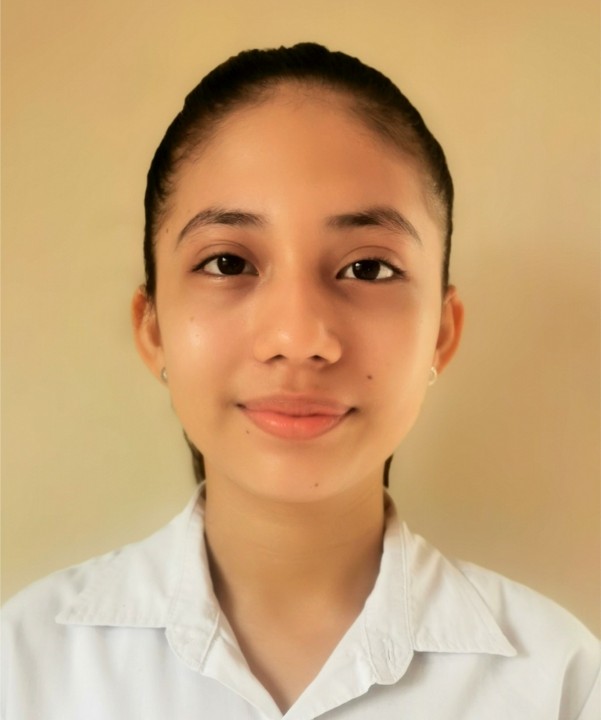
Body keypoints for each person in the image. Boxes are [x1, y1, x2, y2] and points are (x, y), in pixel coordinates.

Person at [2, 42, 599, 720]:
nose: (297, 336)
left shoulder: (561, 686)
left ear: (440, 331)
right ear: (154, 327)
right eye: (228, 263)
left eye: (367, 269)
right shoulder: (22, 670)